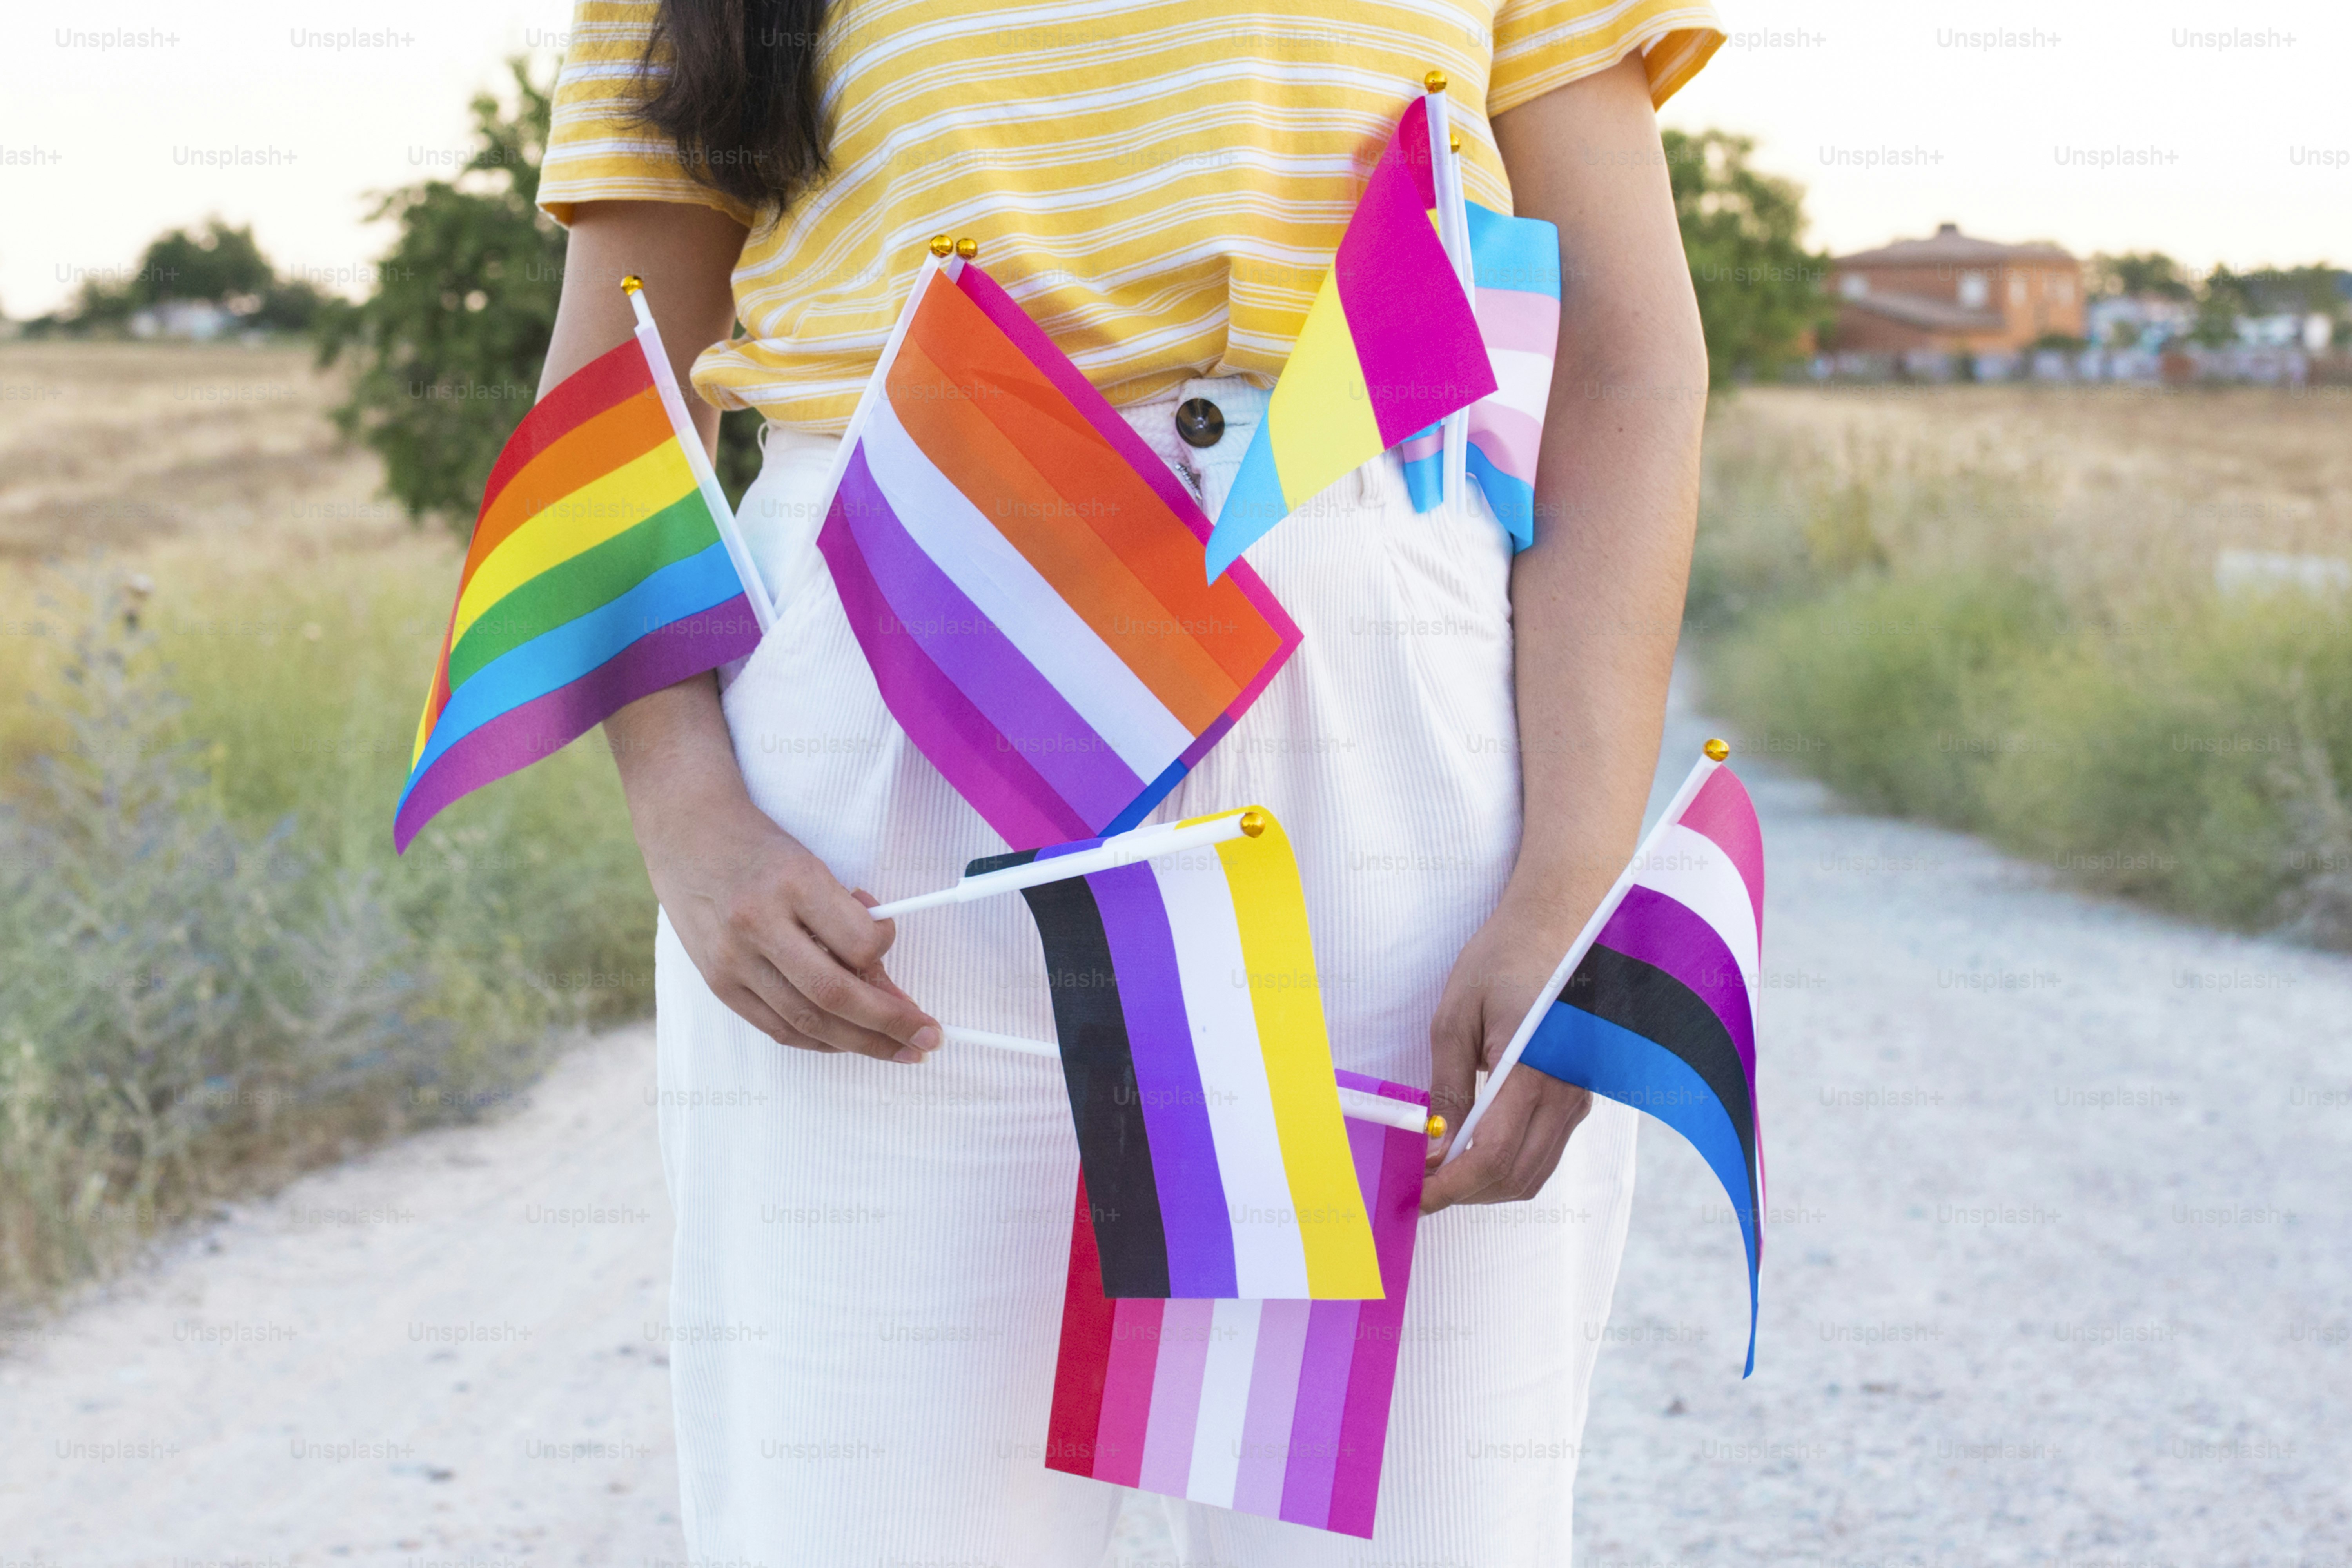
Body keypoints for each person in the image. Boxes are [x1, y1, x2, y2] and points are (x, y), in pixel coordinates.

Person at [534, 0, 1719, 1559]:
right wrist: (690, 816)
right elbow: (608, 389)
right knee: (876, 1514)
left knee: (1411, 1523)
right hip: (902, 719)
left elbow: (1627, 369)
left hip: (1380, 729)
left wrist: (1569, 868)